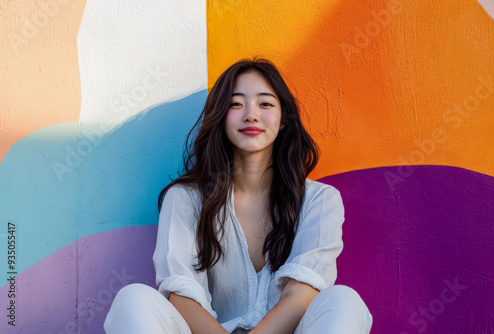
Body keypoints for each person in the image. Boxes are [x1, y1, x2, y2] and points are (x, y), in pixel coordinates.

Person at [104, 58, 373, 334]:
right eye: (236, 104)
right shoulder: (185, 198)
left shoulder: (319, 200)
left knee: (343, 300)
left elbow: (300, 294)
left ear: (283, 120)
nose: (251, 115)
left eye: (265, 103)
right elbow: (180, 292)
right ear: (220, 117)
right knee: (133, 298)